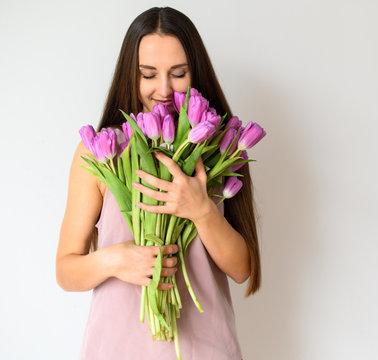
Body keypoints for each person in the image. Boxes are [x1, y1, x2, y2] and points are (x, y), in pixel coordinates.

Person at [56, 7, 260, 360]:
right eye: (147, 75)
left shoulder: (216, 149)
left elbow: (242, 269)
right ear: (128, 76)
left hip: (205, 349)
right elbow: (65, 270)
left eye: (178, 74)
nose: (163, 89)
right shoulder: (100, 152)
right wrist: (115, 261)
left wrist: (203, 211)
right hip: (117, 350)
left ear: (196, 73)